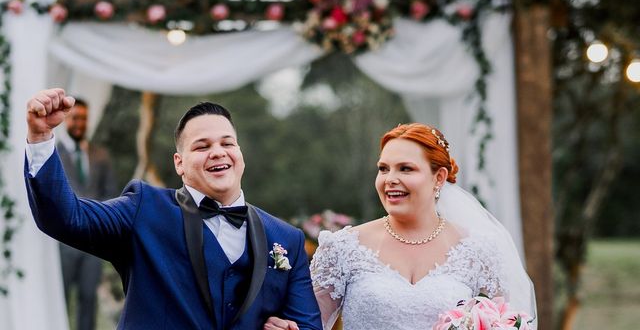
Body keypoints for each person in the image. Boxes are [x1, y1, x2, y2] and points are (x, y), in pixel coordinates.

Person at [24, 88, 322, 330]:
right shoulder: (144, 208)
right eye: (202, 146)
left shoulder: (287, 239)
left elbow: (308, 325)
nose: (218, 152)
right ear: (179, 163)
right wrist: (40, 138)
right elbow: (67, 217)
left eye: (227, 143)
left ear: (240, 154)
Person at [310, 123, 537, 330]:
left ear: (439, 178)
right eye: (383, 168)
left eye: (405, 168)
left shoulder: (478, 252)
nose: (390, 179)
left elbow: (502, 321)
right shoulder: (343, 246)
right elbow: (308, 323)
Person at [56, 97, 116, 330]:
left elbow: (110, 194)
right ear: (65, 120)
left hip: (93, 243)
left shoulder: (101, 155)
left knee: (88, 300)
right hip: (62, 244)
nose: (80, 123)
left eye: (84, 118)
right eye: (75, 118)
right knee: (59, 299)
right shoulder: (54, 154)